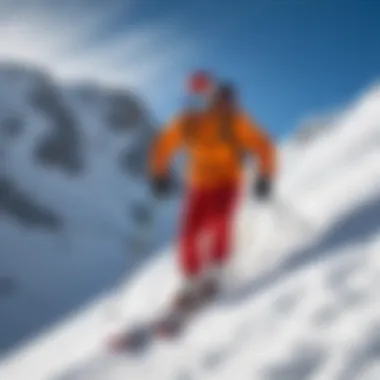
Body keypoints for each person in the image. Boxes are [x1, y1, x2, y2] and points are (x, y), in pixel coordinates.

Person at [149, 72, 277, 310]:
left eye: (231, 101)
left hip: (227, 182)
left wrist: (266, 175)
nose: (227, 105)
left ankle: (217, 272)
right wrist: (159, 174)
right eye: (222, 100)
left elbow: (263, 145)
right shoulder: (188, 121)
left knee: (220, 221)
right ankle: (191, 280)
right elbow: (164, 144)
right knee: (189, 233)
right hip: (198, 185)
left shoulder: (235, 121)